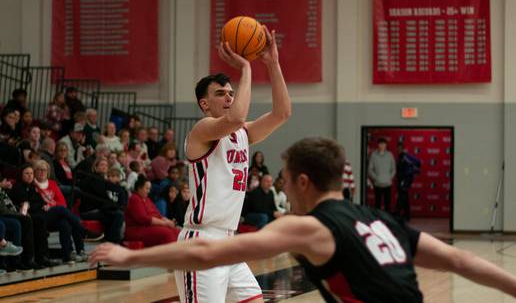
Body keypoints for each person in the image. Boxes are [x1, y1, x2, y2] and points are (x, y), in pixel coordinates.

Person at [91, 137, 516, 302]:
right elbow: (462, 262)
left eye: (286, 179)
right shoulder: (379, 218)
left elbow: (207, 249)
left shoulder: (309, 226)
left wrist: (127, 257)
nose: (284, 186)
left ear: (304, 182)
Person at [100, 27, 289, 303]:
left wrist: (273, 63)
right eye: (221, 93)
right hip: (201, 240)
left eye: (230, 93)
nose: (228, 97)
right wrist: (247, 68)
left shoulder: (242, 134)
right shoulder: (201, 131)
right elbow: (236, 118)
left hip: (229, 242)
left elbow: (282, 113)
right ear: (205, 104)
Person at [124, 175, 180, 247]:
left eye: (149, 189)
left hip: (149, 227)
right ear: (139, 188)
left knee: (177, 231)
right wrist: (165, 223)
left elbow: (158, 214)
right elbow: (144, 219)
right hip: (136, 229)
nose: (149, 191)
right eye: (147, 188)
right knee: (167, 233)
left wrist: (169, 222)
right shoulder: (134, 199)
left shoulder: (147, 199)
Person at [368, 137, 396, 213]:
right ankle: (378, 220)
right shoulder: (374, 155)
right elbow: (370, 169)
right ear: (378, 145)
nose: (382, 145)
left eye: (384, 144)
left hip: (387, 184)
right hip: (378, 184)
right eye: (380, 144)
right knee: (377, 204)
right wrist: (376, 178)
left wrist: (389, 177)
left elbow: (393, 169)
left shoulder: (390, 155)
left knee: (388, 204)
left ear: (386, 145)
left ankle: (387, 220)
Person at [395, 142, 421, 221]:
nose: (399, 150)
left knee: (402, 196)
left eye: (400, 148)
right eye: (398, 148)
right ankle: (407, 215)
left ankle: (397, 213)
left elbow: (418, 162)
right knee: (404, 196)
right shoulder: (399, 157)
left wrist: (411, 172)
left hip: (406, 179)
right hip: (401, 178)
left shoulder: (406, 156)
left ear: (403, 149)